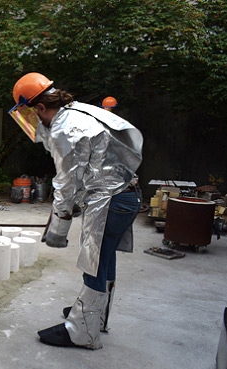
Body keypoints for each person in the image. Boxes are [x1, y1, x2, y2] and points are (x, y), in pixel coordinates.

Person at [9, 72, 143, 350]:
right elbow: (93, 163)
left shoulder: (62, 129)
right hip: (126, 195)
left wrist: (58, 230)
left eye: (33, 115)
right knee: (105, 258)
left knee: (93, 262)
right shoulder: (77, 111)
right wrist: (80, 203)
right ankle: (96, 315)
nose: (37, 124)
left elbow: (67, 183)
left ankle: (82, 332)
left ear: (41, 108)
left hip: (110, 201)